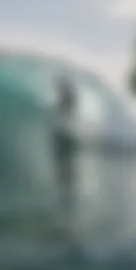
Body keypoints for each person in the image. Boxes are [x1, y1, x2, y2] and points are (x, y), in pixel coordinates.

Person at [52, 74, 77, 236]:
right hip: (67, 108)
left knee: (66, 174)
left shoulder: (67, 92)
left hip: (68, 107)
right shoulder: (66, 92)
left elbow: (69, 102)